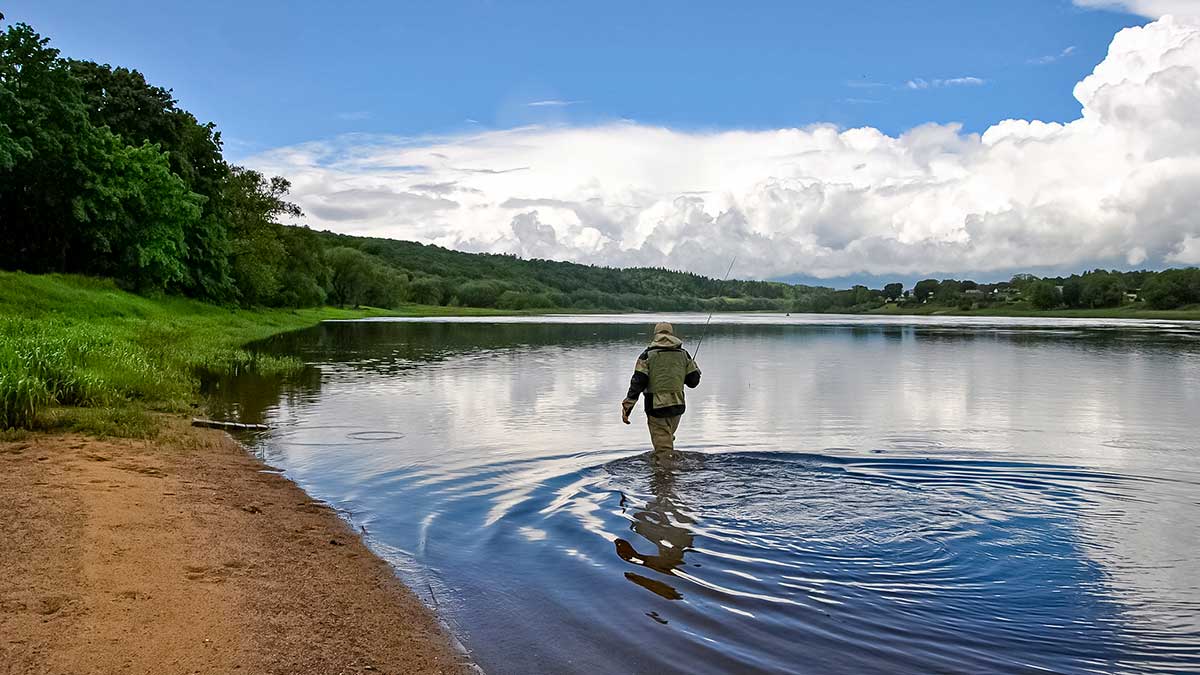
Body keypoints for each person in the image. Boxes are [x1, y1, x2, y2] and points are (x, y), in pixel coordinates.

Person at [621, 322, 701, 461]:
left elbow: (638, 383)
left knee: (663, 451)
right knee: (666, 442)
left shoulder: (647, 355)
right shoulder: (684, 354)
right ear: (671, 334)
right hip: (678, 407)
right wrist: (694, 367)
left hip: (656, 408)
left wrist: (628, 406)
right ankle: (670, 468)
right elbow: (693, 382)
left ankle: (665, 471)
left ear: (656, 335)